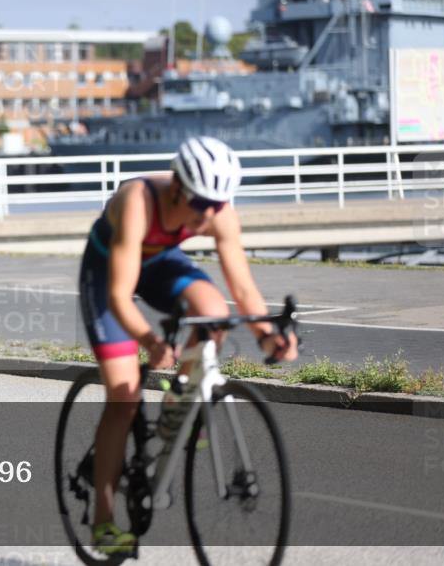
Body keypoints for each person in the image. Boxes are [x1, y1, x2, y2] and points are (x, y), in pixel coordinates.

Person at [78, 136, 298, 554]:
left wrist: (268, 336)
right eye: (202, 205)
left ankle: (176, 402)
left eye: (218, 205)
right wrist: (150, 340)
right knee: (123, 397)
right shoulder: (138, 201)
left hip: (159, 262)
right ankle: (104, 522)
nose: (210, 215)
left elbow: (243, 288)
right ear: (178, 188)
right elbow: (119, 296)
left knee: (214, 308)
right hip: (109, 271)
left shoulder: (218, 210)